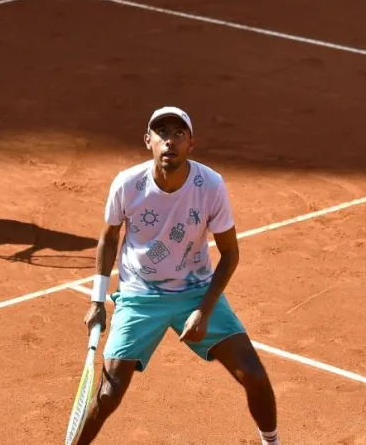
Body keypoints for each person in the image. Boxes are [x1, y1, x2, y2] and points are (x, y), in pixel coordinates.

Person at [78, 106, 280, 445]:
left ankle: (271, 442)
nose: (169, 141)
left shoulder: (210, 185)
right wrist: (98, 300)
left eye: (178, 134)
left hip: (195, 292)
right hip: (139, 295)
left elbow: (230, 253)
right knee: (108, 394)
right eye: (161, 133)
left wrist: (203, 309)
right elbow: (109, 237)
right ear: (148, 141)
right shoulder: (128, 184)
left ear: (191, 144)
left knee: (255, 376)